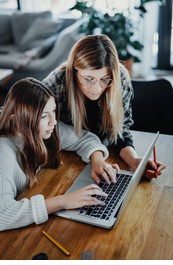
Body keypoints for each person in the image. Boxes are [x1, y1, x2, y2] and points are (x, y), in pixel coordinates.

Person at [0, 77, 117, 231]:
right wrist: (63, 201)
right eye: (43, 116)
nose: (53, 122)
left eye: (53, 111)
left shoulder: (44, 129)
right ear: (16, 121)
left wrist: (97, 159)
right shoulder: (3, 152)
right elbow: (3, 215)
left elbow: (84, 138)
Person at [43, 34, 165, 180]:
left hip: (105, 154)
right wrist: (96, 154)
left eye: (104, 79)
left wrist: (135, 161)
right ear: (74, 72)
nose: (96, 88)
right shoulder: (57, 82)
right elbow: (37, 124)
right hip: (63, 157)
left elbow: (119, 132)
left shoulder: (119, 79)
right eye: (89, 79)